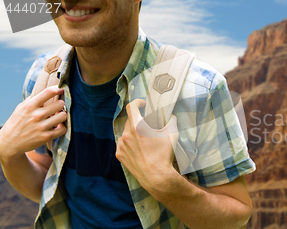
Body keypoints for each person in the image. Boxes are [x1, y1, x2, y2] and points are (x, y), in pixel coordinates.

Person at [0, 0, 255, 228]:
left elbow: (237, 215)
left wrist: (166, 184)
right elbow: (47, 183)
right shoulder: (42, 78)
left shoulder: (199, 90)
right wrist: (7, 152)